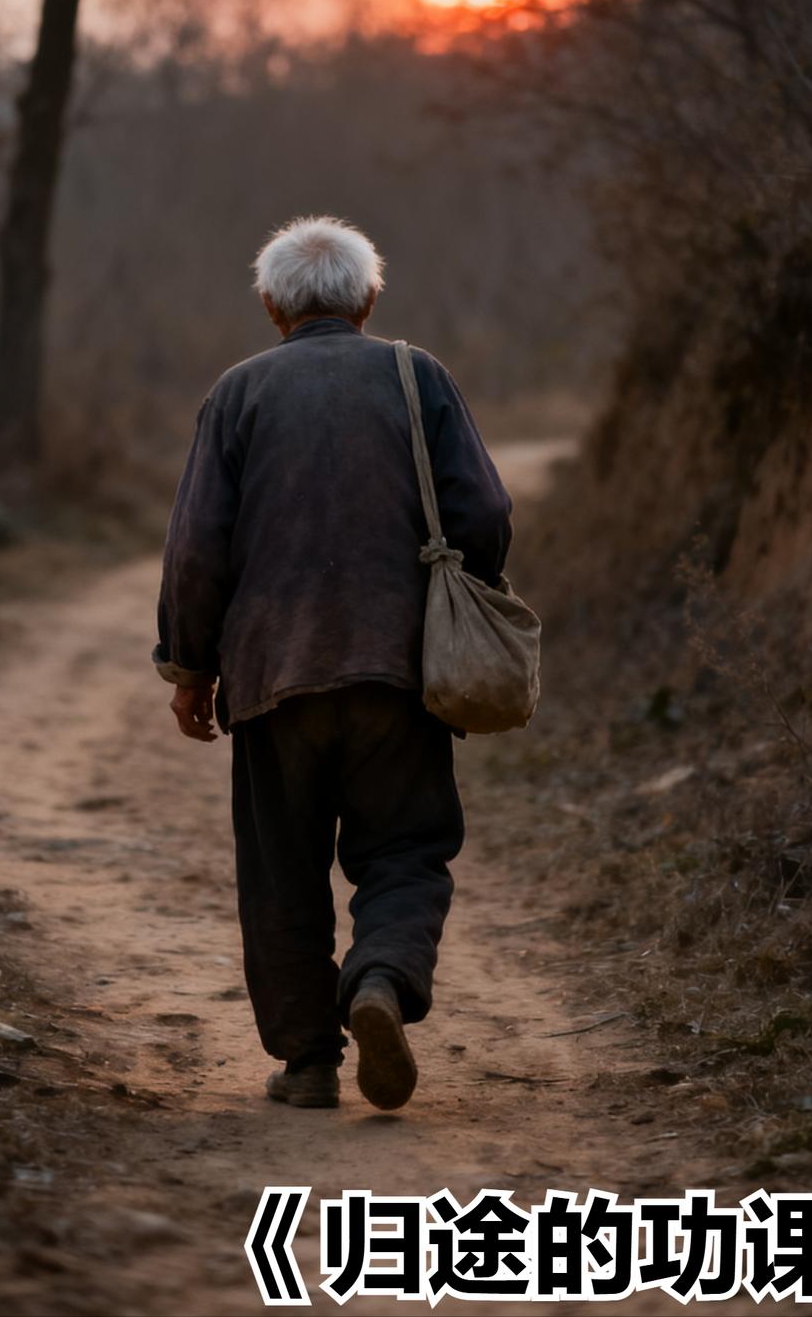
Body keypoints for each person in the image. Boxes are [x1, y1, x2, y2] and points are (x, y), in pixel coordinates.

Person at [152, 216, 512, 1111]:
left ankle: (310, 1062)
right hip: (397, 672)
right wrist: (465, 600)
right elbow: (487, 512)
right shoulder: (415, 374)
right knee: (406, 848)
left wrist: (189, 666)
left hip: (274, 677)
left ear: (273, 305)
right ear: (368, 300)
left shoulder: (236, 394)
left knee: (282, 867)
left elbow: (198, 550)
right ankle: (380, 982)